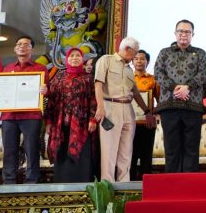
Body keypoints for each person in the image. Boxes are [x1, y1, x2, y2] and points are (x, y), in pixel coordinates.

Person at [94, 37, 155, 182]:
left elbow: (135, 93)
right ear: (127, 49)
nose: (135, 57)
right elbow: (98, 85)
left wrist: (147, 111)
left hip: (128, 109)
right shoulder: (106, 60)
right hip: (110, 107)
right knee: (109, 150)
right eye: (134, 53)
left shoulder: (129, 69)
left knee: (127, 151)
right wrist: (100, 107)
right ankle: (107, 186)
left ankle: (124, 185)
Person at [154, 20, 206, 173]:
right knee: (171, 148)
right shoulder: (165, 52)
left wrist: (188, 87)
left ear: (193, 34)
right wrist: (175, 88)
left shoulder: (200, 53)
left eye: (187, 32)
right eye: (181, 31)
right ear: (175, 33)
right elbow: (158, 73)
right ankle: (172, 185)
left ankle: (190, 186)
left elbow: (202, 74)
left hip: (193, 107)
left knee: (191, 148)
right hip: (169, 106)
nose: (184, 34)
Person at [0, 36, 48, 184]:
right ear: (15, 48)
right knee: (9, 149)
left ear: (32, 49)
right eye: (19, 44)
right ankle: (9, 180)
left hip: (31, 114)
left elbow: (49, 92)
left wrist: (46, 90)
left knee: (32, 148)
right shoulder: (7, 68)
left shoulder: (41, 69)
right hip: (9, 115)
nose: (22, 46)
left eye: (26, 44)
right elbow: (2, 90)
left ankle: (31, 180)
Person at [45, 47, 97, 183]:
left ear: (82, 60)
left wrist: (93, 119)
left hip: (81, 124)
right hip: (60, 124)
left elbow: (94, 99)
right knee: (62, 153)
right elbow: (51, 100)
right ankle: (61, 187)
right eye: (71, 56)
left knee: (82, 154)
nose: (74, 58)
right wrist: (49, 122)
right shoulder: (58, 77)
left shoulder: (88, 78)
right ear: (66, 59)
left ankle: (83, 187)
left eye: (78, 56)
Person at [130, 50, 160, 180]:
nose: (139, 61)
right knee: (130, 155)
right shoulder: (128, 78)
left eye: (142, 59)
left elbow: (160, 101)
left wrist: (154, 114)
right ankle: (128, 185)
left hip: (148, 123)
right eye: (136, 59)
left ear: (147, 62)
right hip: (130, 123)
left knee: (146, 156)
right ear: (132, 61)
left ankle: (145, 184)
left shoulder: (153, 79)